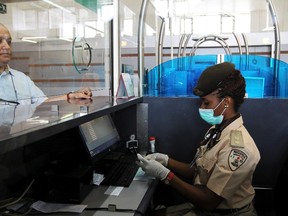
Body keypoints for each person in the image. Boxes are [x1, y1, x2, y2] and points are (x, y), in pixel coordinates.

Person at [137, 62, 261, 216]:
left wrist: (165, 175)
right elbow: (198, 171)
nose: (201, 107)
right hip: (202, 207)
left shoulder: (237, 148)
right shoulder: (215, 131)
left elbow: (209, 201)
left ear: (226, 102)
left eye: (206, 102)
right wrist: (166, 161)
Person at [0, 23, 92, 105]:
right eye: (0, 41)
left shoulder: (22, 79)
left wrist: (70, 96)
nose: (7, 46)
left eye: (9, 42)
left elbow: (42, 102)